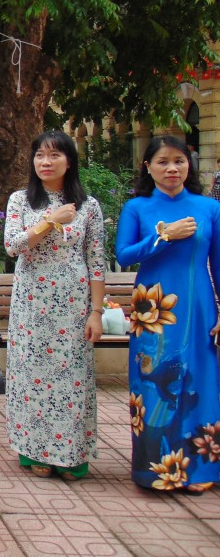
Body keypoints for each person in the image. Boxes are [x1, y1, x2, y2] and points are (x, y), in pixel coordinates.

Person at [116, 135, 220, 493]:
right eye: (162, 162)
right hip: (153, 309)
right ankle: (157, 471)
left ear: (188, 164)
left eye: (179, 160)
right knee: (154, 388)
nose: (172, 168)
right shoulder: (138, 208)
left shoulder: (210, 208)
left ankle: (201, 472)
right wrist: (164, 236)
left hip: (200, 307)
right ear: (148, 167)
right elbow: (124, 255)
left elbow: (218, 265)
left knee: (201, 383)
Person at [4, 131, 106, 480]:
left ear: (70, 160)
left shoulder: (88, 206)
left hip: (73, 301)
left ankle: (71, 454)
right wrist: (51, 221)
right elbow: (13, 245)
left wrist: (96, 312)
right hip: (31, 299)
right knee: (31, 375)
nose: (45, 162)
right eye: (39, 156)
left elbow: (96, 261)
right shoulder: (21, 200)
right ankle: (34, 452)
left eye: (54, 156)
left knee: (71, 376)